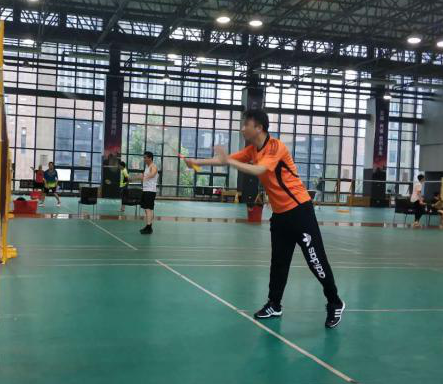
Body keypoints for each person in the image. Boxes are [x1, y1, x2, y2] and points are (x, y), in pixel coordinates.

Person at [185, 109, 345, 328]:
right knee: (278, 263)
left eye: (246, 125)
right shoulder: (252, 149)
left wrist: (228, 162)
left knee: (315, 260)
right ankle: (274, 304)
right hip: (279, 215)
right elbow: (226, 160)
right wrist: (196, 162)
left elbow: (259, 169)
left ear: (258, 127)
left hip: (300, 211)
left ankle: (335, 302)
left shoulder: (276, 147)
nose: (242, 128)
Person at [139, 152, 158, 234]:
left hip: (150, 191)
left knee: (148, 209)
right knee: (147, 209)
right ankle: (148, 225)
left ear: (150, 158)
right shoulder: (147, 168)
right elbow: (143, 178)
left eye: (145, 157)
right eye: (144, 157)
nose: (144, 159)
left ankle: (149, 227)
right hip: (146, 190)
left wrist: (143, 177)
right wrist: (135, 178)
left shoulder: (153, 166)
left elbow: (153, 174)